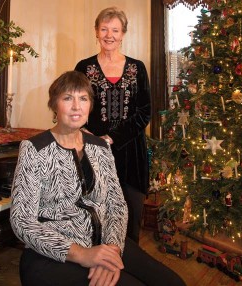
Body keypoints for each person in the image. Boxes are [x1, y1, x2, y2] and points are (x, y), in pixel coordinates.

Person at [10, 71, 186, 286]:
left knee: (173, 283)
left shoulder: (100, 147)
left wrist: (111, 250)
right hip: (54, 255)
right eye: (67, 98)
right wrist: (82, 254)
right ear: (54, 105)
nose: (76, 106)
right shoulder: (34, 149)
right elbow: (22, 220)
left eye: (83, 98)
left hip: (105, 241)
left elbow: (116, 204)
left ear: (90, 105)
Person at [75, 7, 151, 243]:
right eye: (104, 29)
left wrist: (113, 137)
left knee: (131, 212)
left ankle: (129, 265)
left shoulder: (137, 68)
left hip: (132, 154)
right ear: (96, 32)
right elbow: (75, 104)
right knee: (97, 213)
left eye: (115, 30)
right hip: (94, 151)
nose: (109, 35)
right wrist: (84, 132)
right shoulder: (84, 67)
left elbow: (144, 111)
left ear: (123, 34)